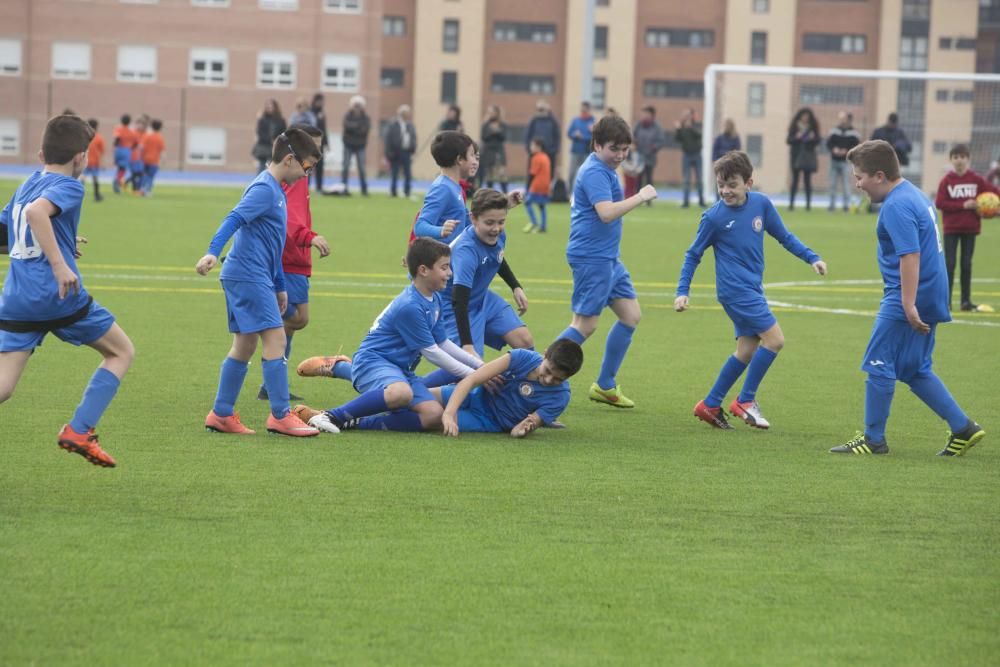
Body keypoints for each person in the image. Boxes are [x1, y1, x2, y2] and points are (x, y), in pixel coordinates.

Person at [831, 140, 985, 456]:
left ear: (878, 175)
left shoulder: (896, 205)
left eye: (859, 177)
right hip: (932, 291)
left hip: (909, 294)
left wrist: (907, 303)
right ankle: (963, 427)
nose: (857, 184)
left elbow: (910, 255)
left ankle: (874, 440)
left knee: (878, 362)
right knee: (915, 368)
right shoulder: (914, 193)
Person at [0, 114, 135, 467]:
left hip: (16, 300)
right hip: (56, 297)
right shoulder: (71, 186)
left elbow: (9, 233)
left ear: (41, 154)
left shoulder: (28, 181)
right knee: (121, 352)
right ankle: (79, 430)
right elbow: (36, 214)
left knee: (3, 387)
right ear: (80, 158)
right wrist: (59, 265)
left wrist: (59, 242)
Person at [674, 151, 827, 430]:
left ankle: (710, 404)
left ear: (748, 182)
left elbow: (784, 237)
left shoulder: (761, 205)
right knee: (775, 340)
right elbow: (692, 254)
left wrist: (812, 257)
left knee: (746, 350)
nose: (725, 191)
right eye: (721, 184)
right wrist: (682, 290)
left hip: (751, 288)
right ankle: (745, 400)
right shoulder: (714, 218)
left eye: (731, 184)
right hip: (736, 291)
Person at [195, 127, 322, 438]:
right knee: (276, 340)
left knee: (245, 343)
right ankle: (280, 415)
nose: (306, 176)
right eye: (307, 168)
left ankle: (222, 414)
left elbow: (273, 245)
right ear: (290, 160)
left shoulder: (276, 191)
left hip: (253, 275)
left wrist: (279, 285)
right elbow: (234, 218)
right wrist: (213, 251)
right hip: (247, 274)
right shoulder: (265, 189)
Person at [291, 238, 485, 434]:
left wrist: (481, 368)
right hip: (373, 362)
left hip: (400, 369)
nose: (450, 273)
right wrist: (473, 376)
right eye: (444, 268)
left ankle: (350, 407)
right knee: (401, 393)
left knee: (433, 416)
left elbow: (443, 342)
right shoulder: (411, 306)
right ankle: (330, 416)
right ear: (423, 270)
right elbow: (433, 352)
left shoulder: (434, 298)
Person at [556, 114, 657, 408]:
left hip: (608, 257)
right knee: (584, 325)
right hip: (592, 257)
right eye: (615, 148)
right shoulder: (595, 172)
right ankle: (534, 373)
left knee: (631, 315)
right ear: (597, 145)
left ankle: (605, 385)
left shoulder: (607, 168)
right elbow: (606, 213)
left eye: (625, 149)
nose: (621, 155)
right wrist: (640, 196)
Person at [298, 340, 583, 438]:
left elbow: (532, 421)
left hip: (488, 420)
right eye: (547, 372)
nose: (547, 381)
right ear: (544, 354)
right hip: (471, 394)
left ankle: (344, 419)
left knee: (421, 407)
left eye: (556, 379)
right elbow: (471, 379)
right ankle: (341, 369)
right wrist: (450, 412)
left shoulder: (561, 396)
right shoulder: (521, 357)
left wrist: (525, 428)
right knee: (408, 394)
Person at [256, 123, 331, 403]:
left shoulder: (301, 177)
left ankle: (272, 381)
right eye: (315, 146)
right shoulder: (292, 179)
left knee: (291, 319)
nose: (318, 153)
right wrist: (308, 237)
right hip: (289, 257)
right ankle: (272, 375)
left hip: (294, 256)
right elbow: (287, 219)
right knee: (296, 318)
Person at [934, 144, 998, 312]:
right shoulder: (947, 181)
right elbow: (940, 203)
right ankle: (945, 302)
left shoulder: (976, 180)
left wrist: (990, 206)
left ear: (968, 159)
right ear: (951, 160)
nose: (959, 160)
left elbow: (993, 192)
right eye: (956, 157)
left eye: (962, 157)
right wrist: (963, 204)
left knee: (966, 264)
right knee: (949, 264)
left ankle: (965, 301)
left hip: (970, 228)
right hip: (951, 228)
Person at [409, 131, 479, 242]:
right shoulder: (443, 188)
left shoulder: (455, 186)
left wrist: (502, 204)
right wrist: (441, 230)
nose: (475, 161)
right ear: (460, 159)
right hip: (444, 258)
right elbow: (420, 226)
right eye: (472, 155)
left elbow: (469, 222)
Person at [826, 111, 861, 212]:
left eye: (843, 119)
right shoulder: (834, 131)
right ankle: (831, 205)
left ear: (848, 119)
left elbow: (856, 146)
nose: (842, 121)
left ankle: (846, 206)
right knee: (832, 184)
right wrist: (834, 149)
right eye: (840, 119)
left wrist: (846, 151)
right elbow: (829, 143)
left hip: (846, 162)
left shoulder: (854, 133)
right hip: (834, 161)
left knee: (846, 185)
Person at [786, 107, 819, 211]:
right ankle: (791, 204)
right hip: (796, 156)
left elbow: (818, 140)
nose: (805, 118)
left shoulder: (812, 127)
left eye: (807, 117)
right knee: (795, 180)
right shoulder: (795, 127)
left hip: (807, 157)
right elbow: (789, 140)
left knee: (807, 181)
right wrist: (797, 137)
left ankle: (808, 205)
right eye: (803, 116)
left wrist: (812, 138)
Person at [675, 108, 706, 208]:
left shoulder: (697, 125)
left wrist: (691, 128)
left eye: (688, 114)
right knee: (686, 180)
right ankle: (685, 202)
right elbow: (677, 139)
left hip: (697, 155)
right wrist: (678, 129)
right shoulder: (682, 127)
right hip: (686, 155)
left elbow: (699, 134)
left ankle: (701, 201)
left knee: (699, 179)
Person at [384, 104, 417, 198]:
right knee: (394, 172)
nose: (408, 115)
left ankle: (407, 191)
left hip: (406, 152)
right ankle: (393, 191)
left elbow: (414, 138)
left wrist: (413, 150)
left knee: (407, 173)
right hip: (395, 152)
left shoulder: (410, 125)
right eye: (406, 113)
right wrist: (388, 153)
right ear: (401, 114)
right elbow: (388, 139)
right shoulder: (393, 124)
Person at [634, 106, 665, 204]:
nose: (644, 116)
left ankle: (649, 201)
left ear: (652, 115)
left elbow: (661, 141)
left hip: (650, 157)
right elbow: (633, 136)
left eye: (646, 114)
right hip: (639, 156)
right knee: (638, 179)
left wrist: (653, 148)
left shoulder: (657, 127)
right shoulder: (639, 125)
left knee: (649, 179)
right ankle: (637, 200)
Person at [341, 95, 370, 196]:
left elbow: (364, 130)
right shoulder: (347, 116)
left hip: (360, 145)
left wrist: (353, 127)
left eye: (359, 105)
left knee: (362, 168)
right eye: (355, 105)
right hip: (348, 144)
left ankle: (364, 189)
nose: (357, 107)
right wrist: (357, 126)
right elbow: (347, 126)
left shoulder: (366, 118)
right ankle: (343, 188)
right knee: (345, 167)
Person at [525, 100, 560, 179]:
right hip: (535, 152)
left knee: (549, 174)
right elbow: (528, 135)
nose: (541, 111)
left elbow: (557, 136)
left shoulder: (552, 121)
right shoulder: (534, 120)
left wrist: (554, 149)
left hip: (549, 152)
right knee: (533, 173)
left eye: (542, 109)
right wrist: (529, 148)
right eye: (539, 109)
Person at [523, 138, 552, 233]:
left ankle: (534, 221)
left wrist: (527, 187)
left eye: (533, 146)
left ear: (538, 147)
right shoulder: (546, 157)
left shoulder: (536, 157)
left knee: (527, 203)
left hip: (537, 185)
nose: (531, 148)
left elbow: (532, 174)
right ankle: (543, 227)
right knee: (542, 206)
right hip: (546, 185)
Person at [566, 101, 595, 193]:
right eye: (582, 110)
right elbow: (569, 133)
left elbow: (595, 137)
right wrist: (575, 135)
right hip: (575, 151)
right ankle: (569, 194)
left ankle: (585, 193)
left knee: (586, 174)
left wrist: (584, 137)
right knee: (571, 174)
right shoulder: (575, 120)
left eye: (585, 110)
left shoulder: (593, 122)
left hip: (587, 152)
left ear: (589, 110)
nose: (583, 112)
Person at [479, 105, 508, 193]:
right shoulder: (485, 125)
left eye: (492, 112)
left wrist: (498, 131)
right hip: (488, 151)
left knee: (501, 173)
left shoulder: (502, 124)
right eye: (489, 112)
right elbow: (483, 137)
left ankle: (506, 195)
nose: (491, 114)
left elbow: (504, 137)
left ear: (497, 113)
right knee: (489, 175)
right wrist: (492, 131)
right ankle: (489, 195)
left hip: (499, 151)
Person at [254, 99, 286, 173]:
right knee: (261, 168)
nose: (269, 108)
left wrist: (277, 140)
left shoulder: (281, 120)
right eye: (267, 106)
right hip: (264, 147)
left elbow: (283, 133)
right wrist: (270, 140)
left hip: (276, 148)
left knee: (274, 168)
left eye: (271, 106)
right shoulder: (262, 120)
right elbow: (260, 133)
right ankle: (260, 183)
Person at [139, 119, 165, 196]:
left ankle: (142, 189)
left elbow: (141, 147)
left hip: (145, 159)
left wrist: (141, 156)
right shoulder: (160, 138)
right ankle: (147, 190)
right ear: (160, 128)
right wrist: (163, 161)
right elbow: (162, 151)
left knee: (145, 174)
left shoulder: (146, 136)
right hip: (154, 160)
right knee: (151, 176)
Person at [112, 113, 136, 194]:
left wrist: (115, 147)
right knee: (123, 169)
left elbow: (117, 138)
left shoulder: (118, 129)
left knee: (119, 167)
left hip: (118, 149)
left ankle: (117, 180)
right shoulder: (131, 131)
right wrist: (131, 148)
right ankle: (117, 181)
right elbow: (135, 143)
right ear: (129, 122)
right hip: (126, 150)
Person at [310, 93, 329, 193]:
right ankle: (306, 187)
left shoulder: (322, 113)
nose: (321, 103)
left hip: (320, 144)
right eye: (319, 101)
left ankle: (319, 187)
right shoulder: (310, 112)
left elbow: (324, 130)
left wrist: (326, 143)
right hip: (311, 143)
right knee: (308, 166)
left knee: (320, 166)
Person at [84, 118, 104, 202]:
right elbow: (102, 150)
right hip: (94, 162)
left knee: (82, 178)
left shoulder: (84, 137)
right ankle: (96, 195)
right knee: (95, 178)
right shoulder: (99, 137)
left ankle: (77, 194)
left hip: (85, 161)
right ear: (96, 127)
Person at [128, 114, 148, 193]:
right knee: (135, 173)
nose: (140, 126)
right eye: (139, 124)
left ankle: (136, 188)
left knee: (140, 173)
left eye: (142, 124)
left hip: (142, 157)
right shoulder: (133, 133)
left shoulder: (145, 133)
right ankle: (135, 188)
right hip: (133, 156)